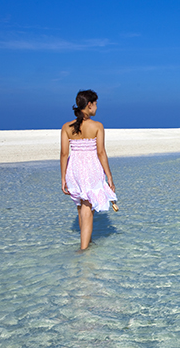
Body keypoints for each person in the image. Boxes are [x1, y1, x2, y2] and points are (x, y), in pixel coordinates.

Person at [60, 89, 117, 250]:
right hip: (90, 169)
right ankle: (83, 250)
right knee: (87, 209)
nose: (97, 107)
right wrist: (109, 176)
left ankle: (87, 242)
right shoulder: (97, 126)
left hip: (74, 169)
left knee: (81, 207)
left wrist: (63, 177)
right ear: (89, 105)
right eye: (96, 104)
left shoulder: (66, 127)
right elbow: (101, 152)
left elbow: (64, 154)